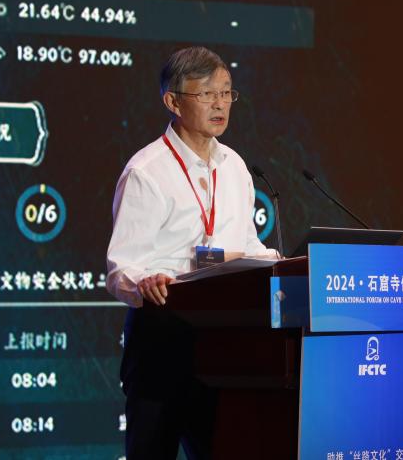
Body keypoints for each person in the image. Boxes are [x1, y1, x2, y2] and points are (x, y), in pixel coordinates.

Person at [106, 46, 276, 458]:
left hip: (225, 341)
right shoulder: (147, 171)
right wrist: (143, 282)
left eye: (226, 92)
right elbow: (121, 267)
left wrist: (278, 263)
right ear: (173, 101)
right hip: (162, 336)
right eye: (207, 93)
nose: (220, 104)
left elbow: (246, 245)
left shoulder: (235, 166)